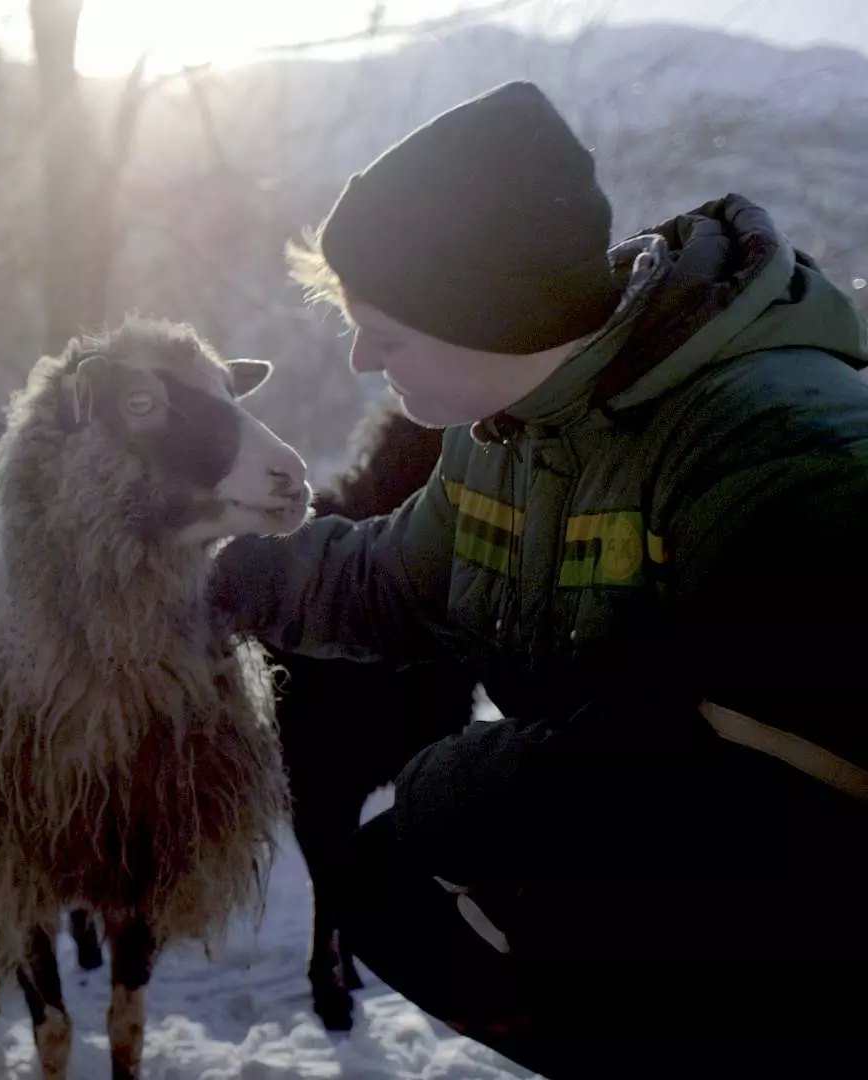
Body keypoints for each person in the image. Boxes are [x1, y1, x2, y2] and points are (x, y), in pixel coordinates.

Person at [214, 79, 868, 1077]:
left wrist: (463, 781)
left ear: (480, 309)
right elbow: (390, 578)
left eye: (384, 332)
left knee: (458, 831)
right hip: (651, 838)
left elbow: (791, 782)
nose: (357, 360)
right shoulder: (511, 431)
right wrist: (206, 575)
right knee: (388, 881)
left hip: (808, 885)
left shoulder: (772, 447)